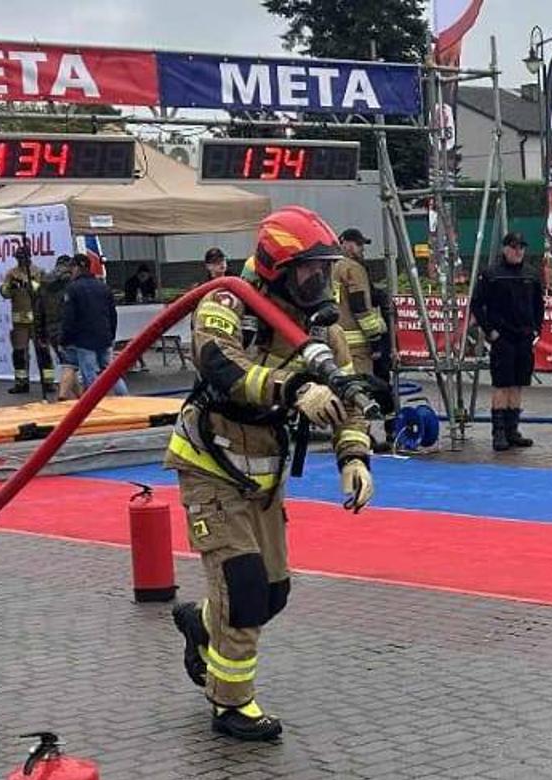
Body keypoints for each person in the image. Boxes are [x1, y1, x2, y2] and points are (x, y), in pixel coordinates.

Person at [166, 206, 375, 742]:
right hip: (211, 463)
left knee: (273, 593)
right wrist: (294, 389)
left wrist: (353, 457)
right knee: (244, 587)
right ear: (275, 266)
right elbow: (220, 364)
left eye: (324, 270)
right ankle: (231, 704)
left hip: (265, 471)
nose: (319, 281)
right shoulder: (227, 302)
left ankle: (201, 623)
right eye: (308, 271)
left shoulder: (321, 324)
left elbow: (348, 394)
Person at [471, 232, 544, 452]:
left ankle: (513, 430)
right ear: (505, 249)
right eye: (514, 247)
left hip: (524, 337)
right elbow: (477, 305)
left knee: (518, 384)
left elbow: (538, 305)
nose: (518, 251)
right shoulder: (491, 274)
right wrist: (490, 331)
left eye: (521, 247)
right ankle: (499, 433)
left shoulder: (531, 274)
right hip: (502, 338)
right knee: (502, 384)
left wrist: (536, 330)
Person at [330, 228, 396, 447]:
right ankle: (361, 437)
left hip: (336, 340)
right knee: (361, 391)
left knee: (344, 390)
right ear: (346, 244)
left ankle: (347, 433)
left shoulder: (329, 267)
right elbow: (360, 307)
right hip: (357, 346)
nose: (361, 250)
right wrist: (376, 338)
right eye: (359, 245)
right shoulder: (353, 268)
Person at [62, 255, 128, 396]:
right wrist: (111, 335)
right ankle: (124, 397)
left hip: (84, 339)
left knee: (89, 374)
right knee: (111, 372)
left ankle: (95, 403)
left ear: (78, 268)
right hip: (104, 336)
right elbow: (112, 314)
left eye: (72, 268)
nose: (71, 272)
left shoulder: (72, 289)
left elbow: (69, 317)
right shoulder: (103, 287)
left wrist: (65, 339)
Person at [0, 246, 56, 395]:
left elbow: (43, 291)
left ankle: (48, 382)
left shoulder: (38, 271)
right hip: (19, 321)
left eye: (23, 258)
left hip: (37, 320)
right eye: (18, 258)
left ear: (29, 257)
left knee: (43, 351)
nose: (21, 261)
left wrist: (27, 284)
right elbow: (4, 293)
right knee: (19, 353)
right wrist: (9, 286)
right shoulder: (11, 273)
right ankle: (21, 382)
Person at [37, 256, 76, 399]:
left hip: (51, 328)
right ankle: (64, 395)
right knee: (70, 365)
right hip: (68, 328)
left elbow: (39, 310)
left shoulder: (44, 283)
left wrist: (40, 333)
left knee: (68, 364)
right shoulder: (71, 282)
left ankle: (79, 396)